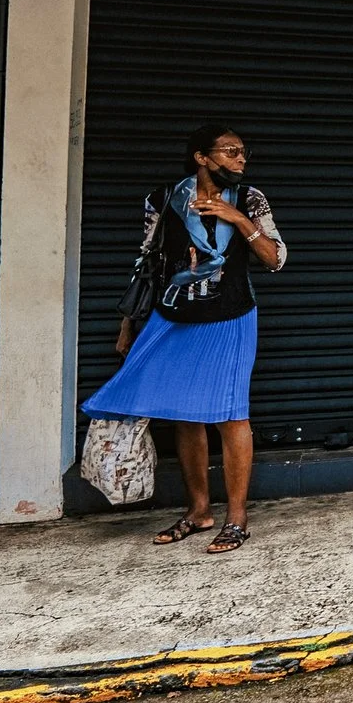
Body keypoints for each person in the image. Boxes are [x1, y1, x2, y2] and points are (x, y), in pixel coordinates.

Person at [85, 123, 286, 556]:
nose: (240, 160)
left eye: (243, 152)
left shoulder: (250, 198)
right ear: (200, 156)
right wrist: (129, 325)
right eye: (230, 151)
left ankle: (237, 518)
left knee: (231, 416)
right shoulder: (163, 199)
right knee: (185, 416)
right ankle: (199, 511)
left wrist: (238, 220)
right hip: (174, 315)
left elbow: (275, 259)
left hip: (231, 316)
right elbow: (146, 260)